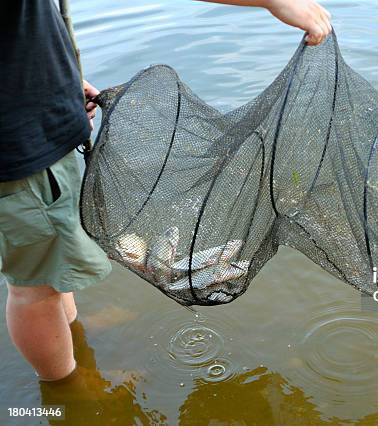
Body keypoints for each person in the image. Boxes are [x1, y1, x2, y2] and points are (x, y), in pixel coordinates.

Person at [0, 0, 331, 382]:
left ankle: (74, 332)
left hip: (40, 128)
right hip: (18, 151)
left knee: (53, 264)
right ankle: (68, 388)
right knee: (33, 289)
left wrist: (61, 81)